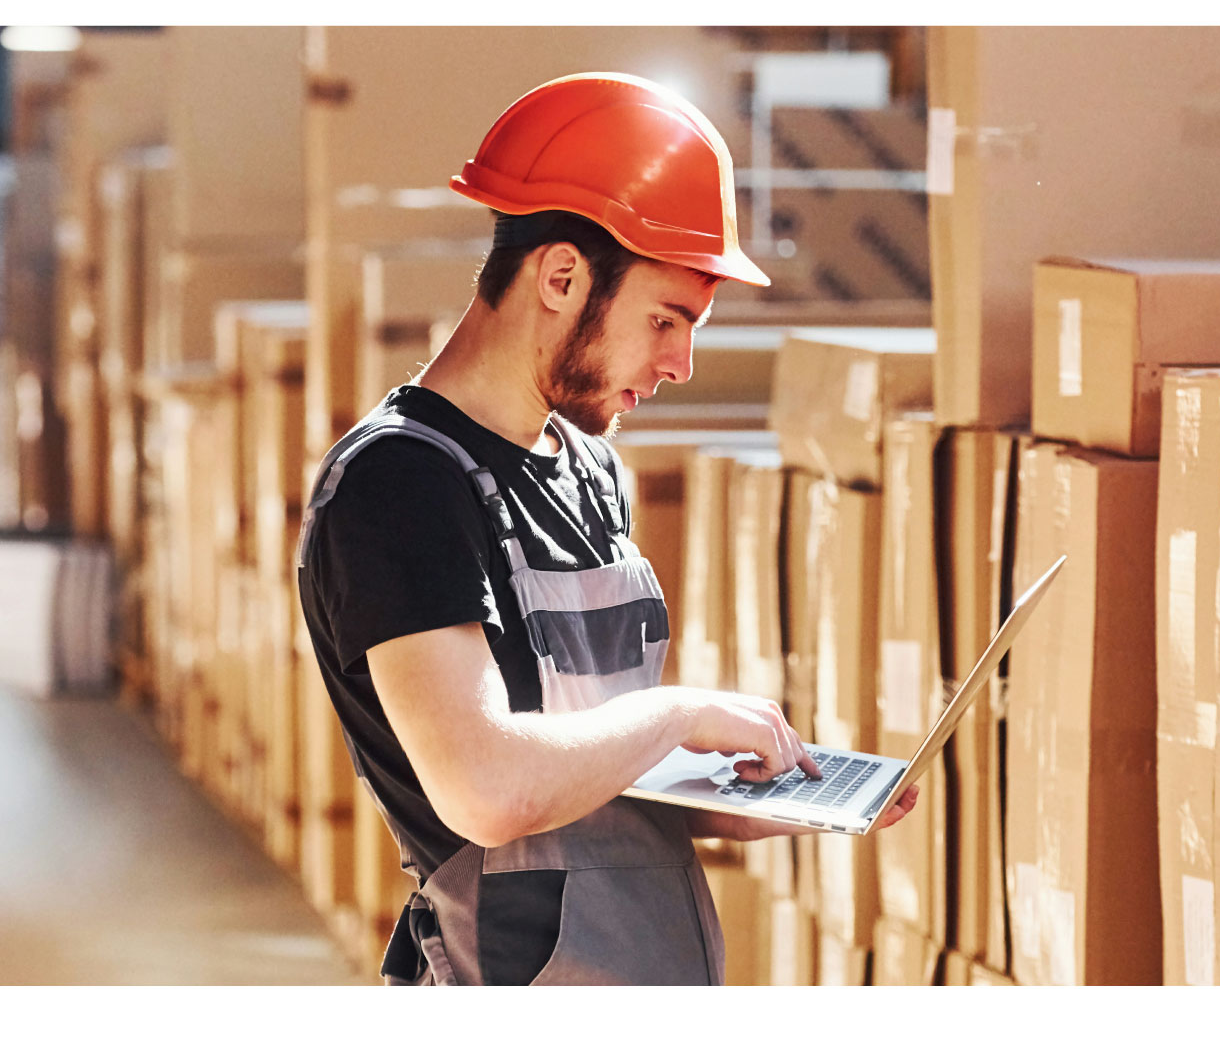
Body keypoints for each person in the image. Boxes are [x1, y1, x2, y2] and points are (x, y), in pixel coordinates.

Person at [295, 72, 920, 986]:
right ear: (560, 277)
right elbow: (490, 790)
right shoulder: (398, 485)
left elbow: (596, 778)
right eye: (666, 319)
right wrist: (683, 713)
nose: (682, 363)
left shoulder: (590, 471)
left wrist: (775, 797)